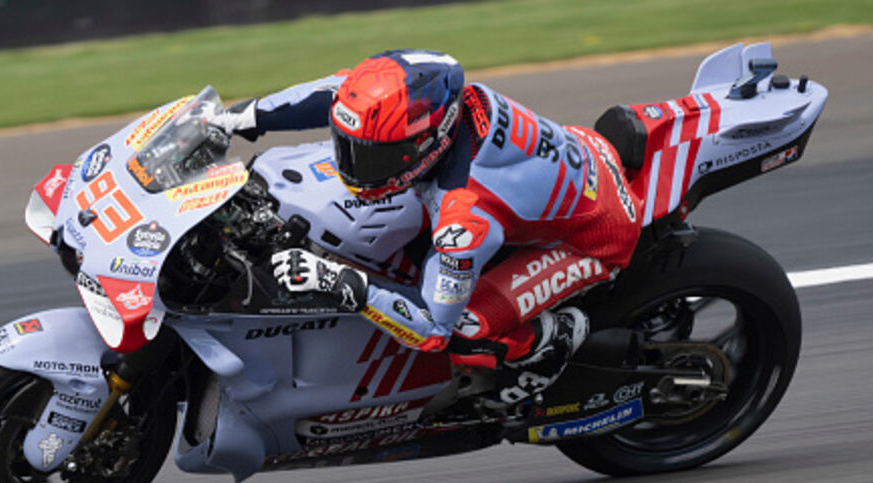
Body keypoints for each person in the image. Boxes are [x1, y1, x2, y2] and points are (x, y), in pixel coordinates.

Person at [214, 49, 644, 404]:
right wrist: (238, 119)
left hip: (594, 236)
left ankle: (553, 339)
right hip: (573, 163)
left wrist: (336, 280)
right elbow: (335, 93)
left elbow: (431, 329)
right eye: (350, 149)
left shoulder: (464, 216)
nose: (355, 166)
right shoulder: (423, 101)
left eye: (376, 158)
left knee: (466, 330)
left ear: (429, 141)